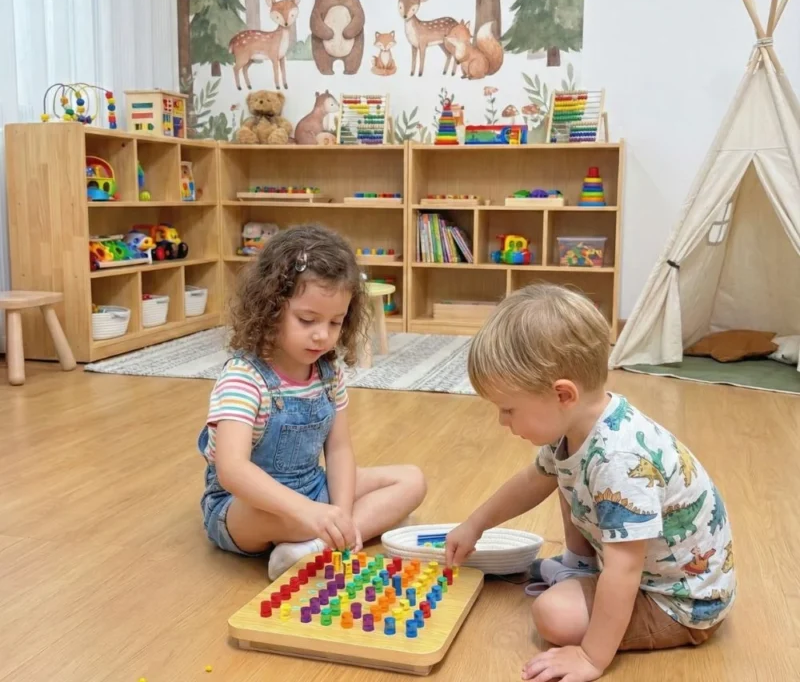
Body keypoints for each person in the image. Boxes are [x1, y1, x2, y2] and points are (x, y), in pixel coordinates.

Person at [445, 284, 735, 681]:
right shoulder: (577, 425)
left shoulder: (620, 459)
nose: (502, 421)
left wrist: (591, 657)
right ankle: (579, 567)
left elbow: (624, 569)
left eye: (509, 409)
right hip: (643, 571)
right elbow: (534, 479)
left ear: (563, 394)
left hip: (680, 603)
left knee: (552, 615)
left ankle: (582, 581)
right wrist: (475, 524)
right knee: (562, 473)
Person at [198, 224, 426, 580]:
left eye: (335, 322)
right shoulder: (244, 378)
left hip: (312, 488)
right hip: (246, 507)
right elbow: (232, 470)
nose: (322, 334)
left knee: (412, 481)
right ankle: (346, 531)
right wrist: (309, 512)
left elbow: (339, 452)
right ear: (271, 308)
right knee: (273, 515)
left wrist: (340, 510)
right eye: (307, 320)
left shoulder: (328, 373)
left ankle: (319, 543)